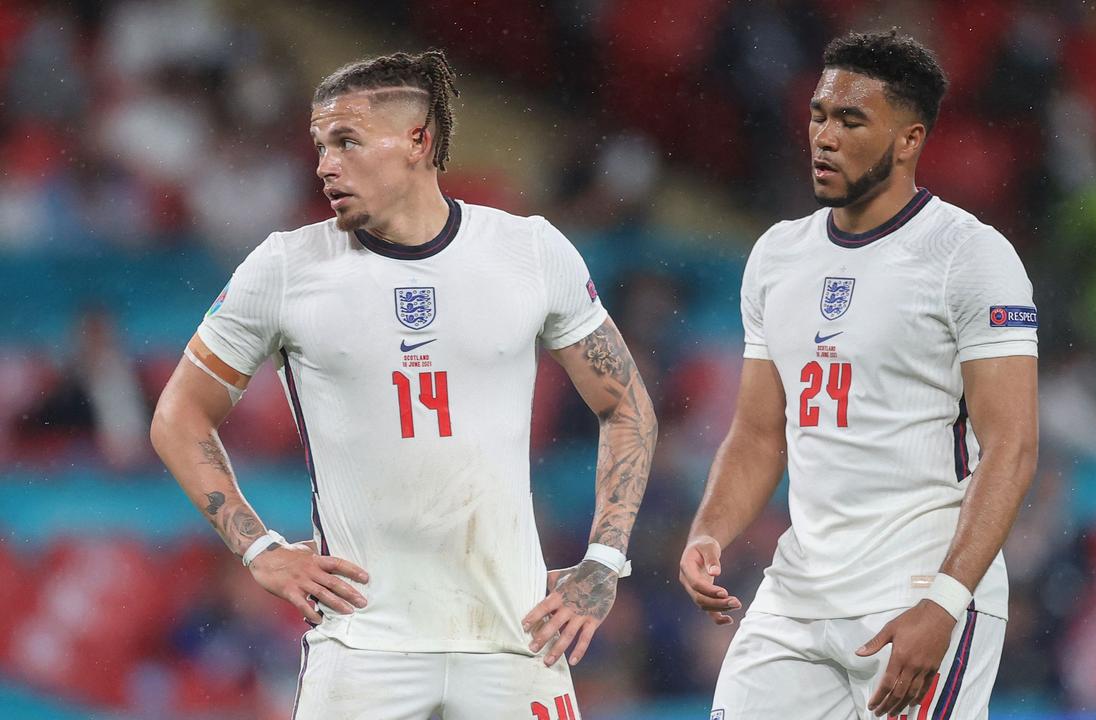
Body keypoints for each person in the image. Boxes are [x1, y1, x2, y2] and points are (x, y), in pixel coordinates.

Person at [150, 50, 657, 719]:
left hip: (514, 642)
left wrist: (602, 560)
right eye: (321, 145)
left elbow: (626, 406)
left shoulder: (530, 252)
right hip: (362, 651)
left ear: (419, 141)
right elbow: (179, 416)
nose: (326, 164)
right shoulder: (284, 269)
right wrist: (260, 548)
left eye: (348, 142)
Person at [678, 30, 1039, 720]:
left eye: (851, 120)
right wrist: (709, 533)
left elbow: (1013, 448)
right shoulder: (777, 256)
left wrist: (944, 602)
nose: (824, 136)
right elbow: (757, 435)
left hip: (916, 592)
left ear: (909, 140)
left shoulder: (970, 257)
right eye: (818, 114)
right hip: (798, 593)